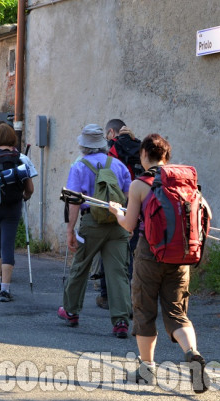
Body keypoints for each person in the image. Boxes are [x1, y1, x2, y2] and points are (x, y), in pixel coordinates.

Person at [108, 134, 209, 392]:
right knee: (176, 312)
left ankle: (147, 369)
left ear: (144, 155)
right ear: (167, 156)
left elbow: (129, 225)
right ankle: (192, 352)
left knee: (144, 311)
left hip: (149, 254)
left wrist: (117, 212)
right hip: (180, 256)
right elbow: (205, 214)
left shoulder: (140, 184)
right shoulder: (186, 184)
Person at [57, 124, 132, 338]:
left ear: (83, 145)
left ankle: (71, 311)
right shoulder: (118, 165)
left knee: (81, 265)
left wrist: (70, 229)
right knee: (118, 271)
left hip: (91, 222)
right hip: (117, 222)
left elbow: (73, 201)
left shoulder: (79, 166)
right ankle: (120, 320)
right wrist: (128, 222)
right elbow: (128, 195)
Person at [0, 123, 37, 302]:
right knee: (8, 245)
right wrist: (25, 196)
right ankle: (6, 290)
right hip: (13, 205)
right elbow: (29, 187)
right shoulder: (21, 157)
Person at [96, 119, 141, 310]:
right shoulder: (140, 147)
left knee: (109, 249)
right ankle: (133, 295)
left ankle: (106, 296)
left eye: (107, 134)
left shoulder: (109, 150)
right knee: (133, 250)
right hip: (137, 201)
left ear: (112, 133)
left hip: (114, 202)